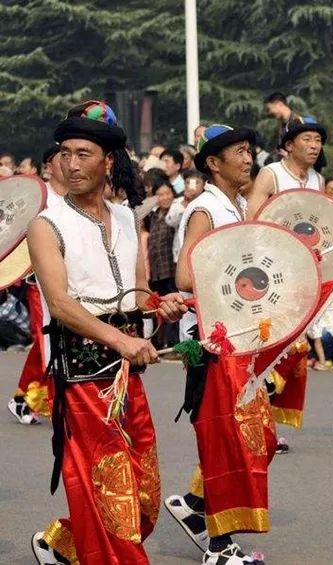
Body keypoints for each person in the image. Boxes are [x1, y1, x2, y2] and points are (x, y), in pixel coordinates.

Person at [28, 100, 186, 564]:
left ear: (108, 161)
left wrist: (159, 307)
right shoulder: (47, 224)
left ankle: (65, 543)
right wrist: (122, 340)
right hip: (82, 378)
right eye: (65, 153)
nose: (71, 164)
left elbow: (133, 298)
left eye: (83, 154)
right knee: (114, 495)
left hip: (127, 375)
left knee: (145, 493)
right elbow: (60, 304)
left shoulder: (124, 218)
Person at [165, 124, 270, 564]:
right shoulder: (206, 209)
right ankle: (218, 546)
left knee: (256, 433)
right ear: (213, 162)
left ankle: (194, 505)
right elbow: (186, 278)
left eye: (249, 151)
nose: (248, 159)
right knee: (226, 440)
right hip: (214, 343)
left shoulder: (238, 205)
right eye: (240, 152)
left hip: (241, 340)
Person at [7, 144, 69, 426]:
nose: (70, 164)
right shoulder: (39, 199)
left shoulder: (75, 198)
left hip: (71, 282)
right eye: (63, 158)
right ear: (48, 166)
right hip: (40, 284)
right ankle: (45, 402)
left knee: (56, 341)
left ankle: (27, 397)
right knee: (46, 342)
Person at [247, 114, 326, 218]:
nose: (314, 146)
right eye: (307, 139)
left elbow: (318, 218)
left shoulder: (318, 180)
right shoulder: (271, 174)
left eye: (318, 140)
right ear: (289, 145)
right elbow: (252, 218)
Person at [144, 178, 179, 348]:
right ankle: (160, 343)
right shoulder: (153, 216)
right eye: (160, 194)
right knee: (159, 306)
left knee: (174, 306)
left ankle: (174, 343)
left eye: (167, 193)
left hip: (172, 269)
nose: (164, 197)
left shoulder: (175, 214)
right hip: (157, 270)